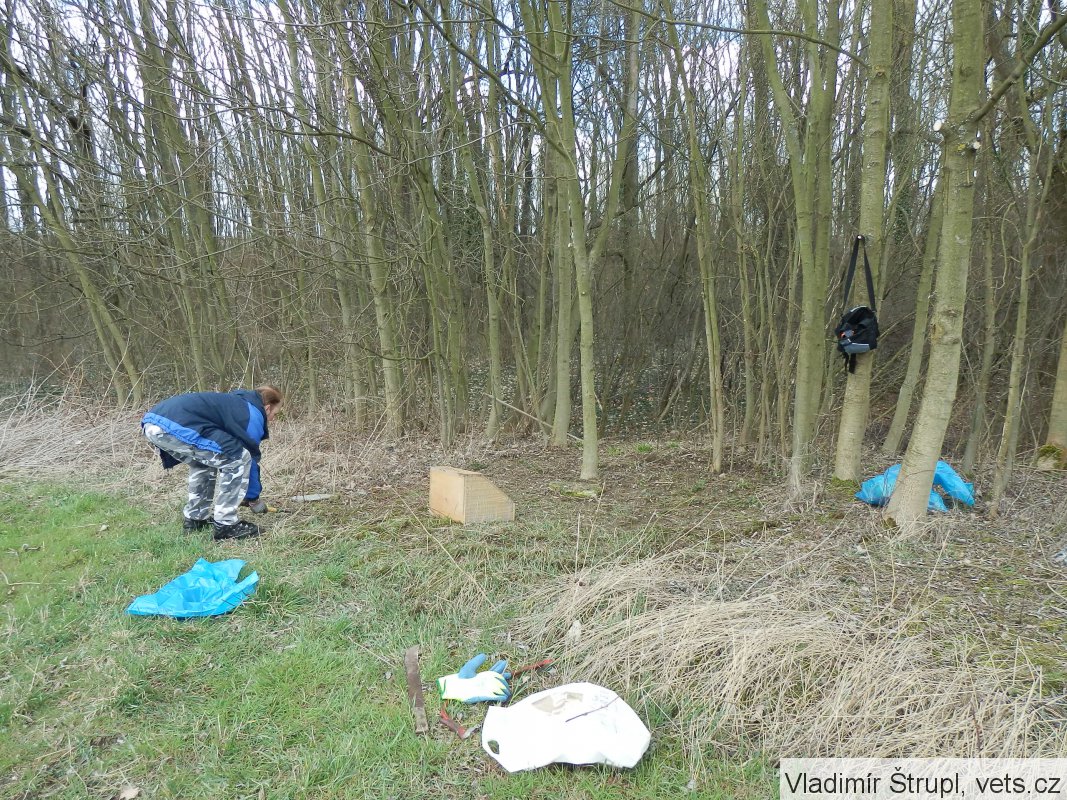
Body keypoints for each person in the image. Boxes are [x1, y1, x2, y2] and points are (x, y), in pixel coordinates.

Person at [141, 386, 283, 541]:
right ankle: (226, 524)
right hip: (174, 425)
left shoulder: (238, 403)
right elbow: (250, 459)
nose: (273, 419)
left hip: (153, 423)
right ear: (267, 408)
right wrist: (253, 498)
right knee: (238, 458)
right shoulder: (253, 416)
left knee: (204, 463)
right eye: (275, 414)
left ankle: (196, 519)